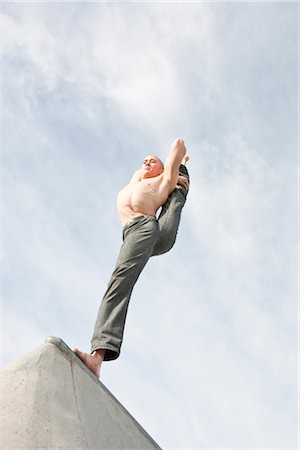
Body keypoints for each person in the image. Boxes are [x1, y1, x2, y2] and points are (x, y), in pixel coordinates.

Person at [73, 138, 190, 378]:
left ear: (162, 168)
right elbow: (140, 170)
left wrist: (177, 165)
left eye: (153, 161)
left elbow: (178, 149)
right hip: (134, 233)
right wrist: (150, 167)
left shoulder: (162, 181)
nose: (147, 162)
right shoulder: (136, 180)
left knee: (119, 283)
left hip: (147, 229)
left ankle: (97, 357)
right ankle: (98, 356)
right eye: (144, 160)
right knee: (119, 281)